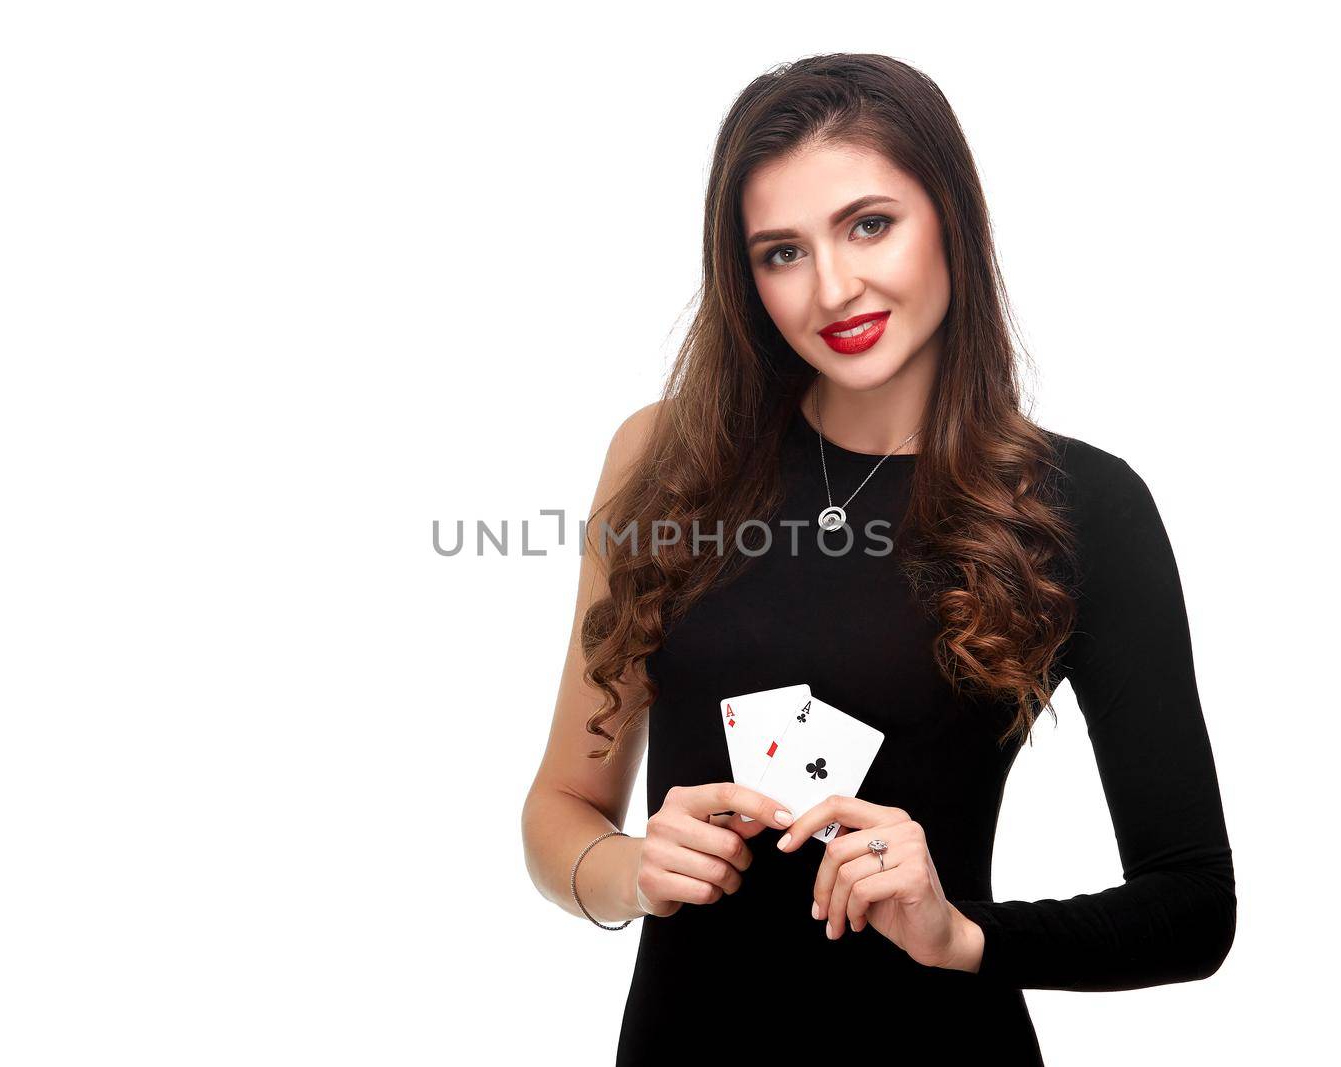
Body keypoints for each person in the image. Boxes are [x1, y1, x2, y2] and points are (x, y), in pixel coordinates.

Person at [520, 53, 1236, 1065]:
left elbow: (1192, 905)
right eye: (780, 251)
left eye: (868, 224)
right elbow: (561, 808)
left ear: (950, 214)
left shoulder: (1080, 507)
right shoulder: (664, 458)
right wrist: (629, 868)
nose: (832, 287)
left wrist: (961, 931)